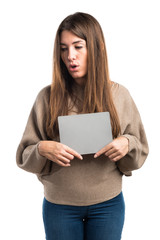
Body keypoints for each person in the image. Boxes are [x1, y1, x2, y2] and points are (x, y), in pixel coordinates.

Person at [16, 12, 149, 240]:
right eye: (64, 48)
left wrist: (126, 143)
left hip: (108, 205)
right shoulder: (46, 97)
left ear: (96, 48)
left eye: (78, 46)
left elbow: (140, 147)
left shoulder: (119, 95)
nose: (70, 56)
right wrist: (41, 149)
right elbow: (24, 155)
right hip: (60, 206)